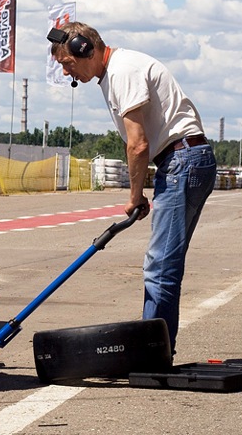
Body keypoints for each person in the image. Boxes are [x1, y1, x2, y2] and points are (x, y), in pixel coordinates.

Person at [48, 22, 217, 354]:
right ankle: (156, 346)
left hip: (182, 159)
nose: (69, 73)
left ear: (87, 49)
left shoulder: (122, 71)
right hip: (183, 159)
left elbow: (138, 145)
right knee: (165, 263)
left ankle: (152, 353)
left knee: (160, 266)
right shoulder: (115, 72)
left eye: (68, 63)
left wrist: (135, 196)